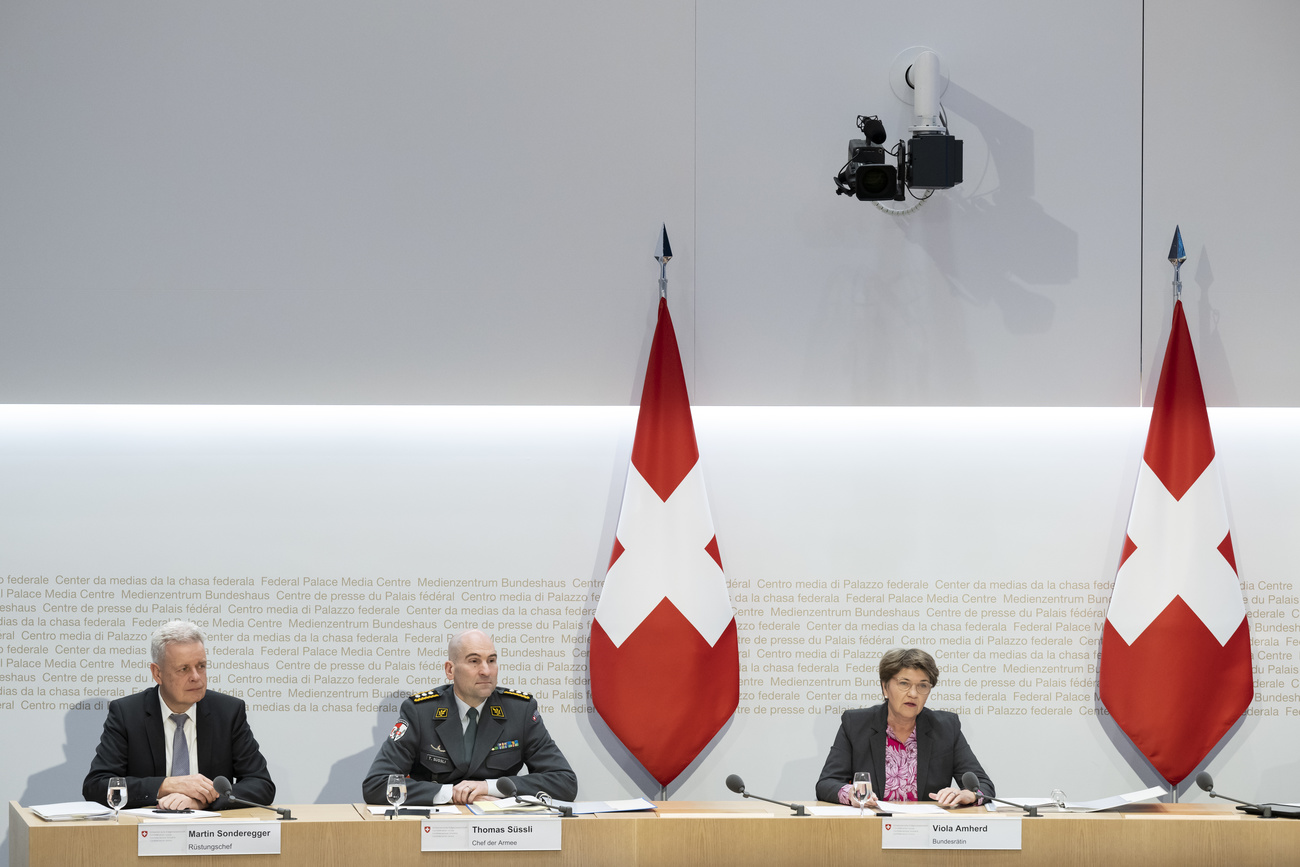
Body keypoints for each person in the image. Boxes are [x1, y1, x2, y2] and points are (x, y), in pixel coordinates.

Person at [363, 629, 577, 805]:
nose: (486, 670)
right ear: (450, 670)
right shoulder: (420, 712)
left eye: (491, 660)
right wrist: (449, 794)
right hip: (434, 829)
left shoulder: (519, 711)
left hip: (501, 829)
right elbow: (377, 785)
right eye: (474, 661)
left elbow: (564, 781)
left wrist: (490, 787)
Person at [82, 620, 276, 810]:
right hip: (145, 833)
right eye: (184, 669)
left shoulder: (228, 712)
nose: (196, 677)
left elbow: (261, 784)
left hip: (211, 836)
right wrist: (167, 785)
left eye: (201, 666)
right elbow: (97, 786)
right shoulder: (127, 714)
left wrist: (204, 801)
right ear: (157, 673)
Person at [816, 647, 993, 807]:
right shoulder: (856, 724)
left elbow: (983, 786)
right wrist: (850, 794)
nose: (913, 693)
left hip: (927, 831)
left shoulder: (946, 727)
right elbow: (826, 783)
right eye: (904, 683)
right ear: (885, 687)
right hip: (872, 826)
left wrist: (969, 794)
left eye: (922, 685)